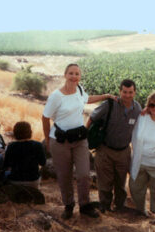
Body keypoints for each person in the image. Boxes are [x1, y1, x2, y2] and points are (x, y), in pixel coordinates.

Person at [42, 63, 114, 219]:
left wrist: (106, 96)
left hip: (80, 140)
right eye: (71, 73)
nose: (74, 77)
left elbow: (87, 99)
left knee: (83, 174)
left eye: (77, 74)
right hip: (60, 141)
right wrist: (48, 140)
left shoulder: (80, 90)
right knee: (64, 175)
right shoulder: (56, 96)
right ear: (65, 75)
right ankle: (69, 205)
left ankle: (85, 205)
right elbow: (45, 117)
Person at [86, 79, 142, 213]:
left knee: (121, 182)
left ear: (134, 92)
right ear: (120, 91)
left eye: (130, 92)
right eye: (124, 92)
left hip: (123, 151)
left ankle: (119, 206)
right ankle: (104, 206)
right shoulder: (109, 104)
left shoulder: (138, 109)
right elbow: (92, 118)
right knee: (104, 182)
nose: (127, 95)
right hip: (105, 149)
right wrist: (84, 136)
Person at [4, 121, 46, 189]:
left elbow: (6, 164)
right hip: (33, 180)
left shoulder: (11, 146)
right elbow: (43, 163)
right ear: (30, 132)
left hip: (15, 180)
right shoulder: (38, 145)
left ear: (15, 132)